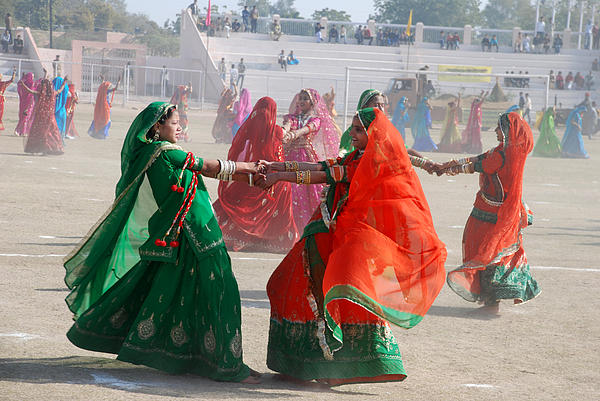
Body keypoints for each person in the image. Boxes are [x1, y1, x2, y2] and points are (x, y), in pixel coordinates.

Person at [64, 101, 262, 384]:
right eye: (174, 122)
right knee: (220, 290)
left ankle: (209, 359)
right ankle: (228, 366)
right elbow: (207, 167)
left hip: (180, 233)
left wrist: (252, 174)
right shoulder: (164, 152)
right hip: (195, 233)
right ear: (157, 125)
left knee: (181, 291)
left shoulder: (150, 152)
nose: (180, 127)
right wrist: (251, 167)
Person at [262, 108, 447, 385]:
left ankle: (332, 363)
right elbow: (323, 167)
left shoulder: (369, 164)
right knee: (292, 283)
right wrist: (279, 168)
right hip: (328, 231)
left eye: (359, 130)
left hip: (343, 239)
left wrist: (280, 176)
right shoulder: (355, 157)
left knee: (325, 292)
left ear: (373, 134)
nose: (352, 134)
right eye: (353, 128)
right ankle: (303, 361)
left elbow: (324, 175)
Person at [438, 112, 540, 309]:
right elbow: (478, 158)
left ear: (508, 131)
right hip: (489, 209)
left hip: (494, 214)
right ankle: (490, 300)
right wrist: (451, 164)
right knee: (487, 252)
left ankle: (492, 303)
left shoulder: (503, 156)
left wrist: (450, 168)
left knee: (487, 253)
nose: (495, 131)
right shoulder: (503, 150)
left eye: (499, 128)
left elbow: (479, 165)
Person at [213, 97, 299, 253]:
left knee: (242, 203)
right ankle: (272, 242)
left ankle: (236, 236)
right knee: (279, 196)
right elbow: (285, 132)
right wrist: (288, 123)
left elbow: (239, 144)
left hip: (254, 170)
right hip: (275, 175)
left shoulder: (250, 126)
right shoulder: (276, 130)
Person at [283, 88, 341, 230]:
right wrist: (283, 131)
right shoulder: (292, 118)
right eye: (300, 98)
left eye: (305, 99)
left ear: (312, 102)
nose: (302, 101)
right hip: (289, 156)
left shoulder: (316, 120)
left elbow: (307, 129)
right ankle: (287, 228)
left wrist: (293, 135)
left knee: (303, 188)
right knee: (287, 188)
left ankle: (303, 227)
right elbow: (286, 126)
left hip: (305, 158)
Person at [22, 71, 67, 155]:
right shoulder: (53, 93)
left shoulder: (40, 94)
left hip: (40, 118)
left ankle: (40, 148)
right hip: (50, 118)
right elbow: (60, 90)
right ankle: (53, 148)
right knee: (51, 132)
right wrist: (64, 81)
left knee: (40, 132)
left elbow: (30, 91)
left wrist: (23, 85)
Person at [338, 89, 387, 154]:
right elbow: (343, 158)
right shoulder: (350, 136)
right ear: (365, 107)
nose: (381, 109)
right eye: (376, 105)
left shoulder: (386, 132)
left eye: (382, 105)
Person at [88, 75, 120, 139]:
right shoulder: (106, 91)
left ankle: (95, 132)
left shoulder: (102, 90)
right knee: (107, 120)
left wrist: (103, 80)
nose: (110, 87)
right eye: (109, 86)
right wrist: (118, 82)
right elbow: (115, 88)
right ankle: (103, 134)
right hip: (105, 108)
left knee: (98, 119)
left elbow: (103, 85)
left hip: (101, 107)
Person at [15, 72, 37, 136]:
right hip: (27, 103)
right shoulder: (30, 84)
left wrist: (22, 77)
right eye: (32, 77)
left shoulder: (23, 84)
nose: (33, 78)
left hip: (26, 103)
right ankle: (21, 131)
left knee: (25, 117)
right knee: (24, 117)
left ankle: (22, 131)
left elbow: (19, 83)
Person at [0, 67, 16, 131]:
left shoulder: (3, 83)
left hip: (0, 99)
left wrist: (14, 72)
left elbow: (12, 80)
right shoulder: (3, 84)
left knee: (0, 113)